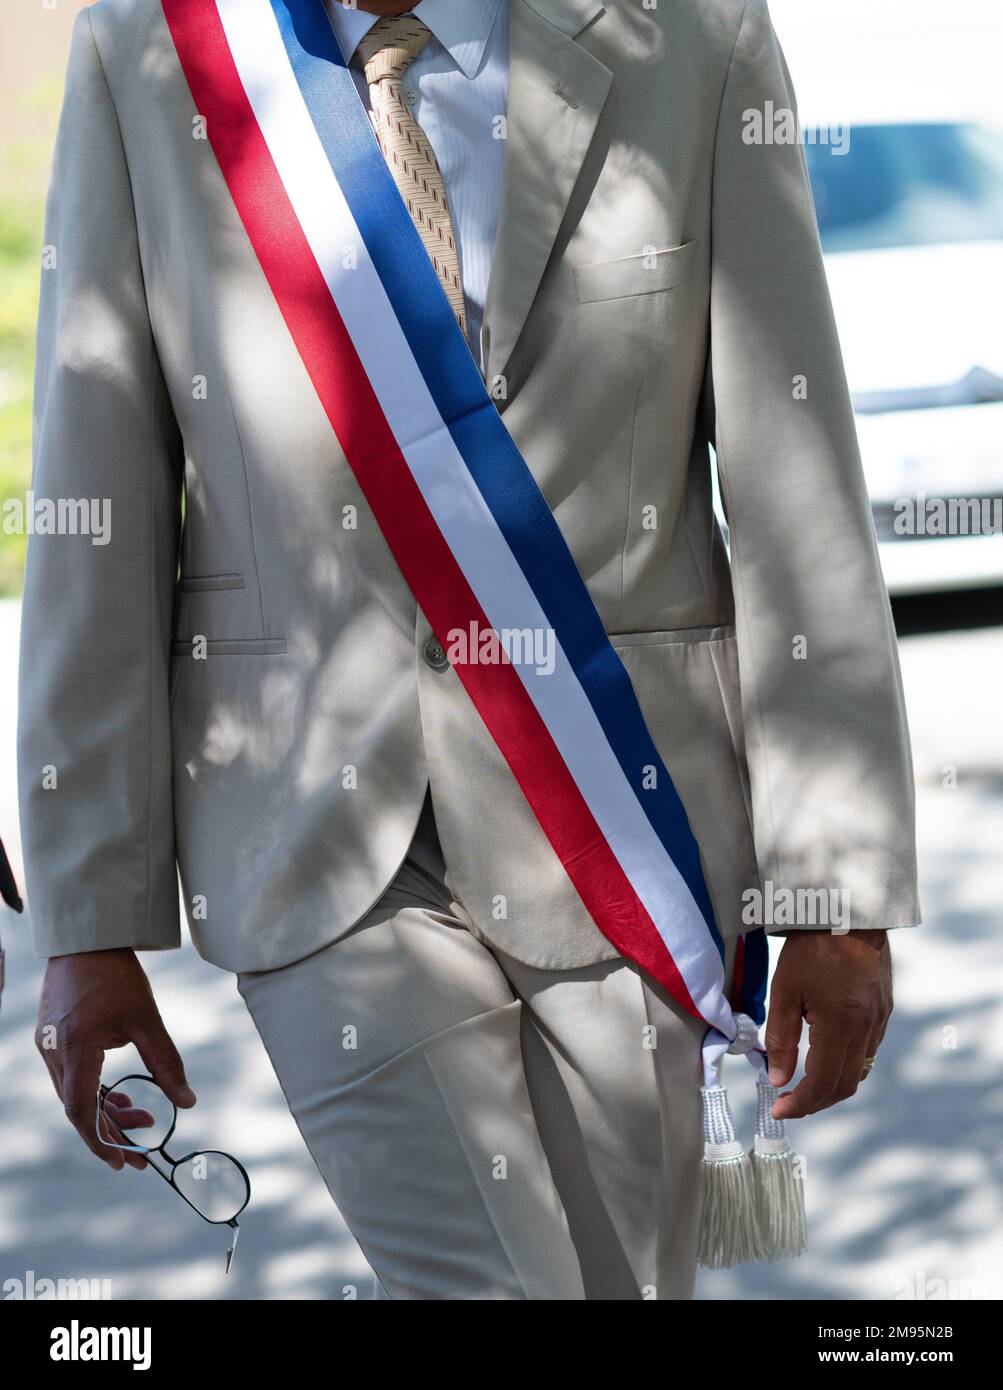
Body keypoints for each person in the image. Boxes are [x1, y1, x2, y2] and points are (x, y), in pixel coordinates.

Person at [19, 0, 917, 1300]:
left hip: (623, 817)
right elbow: (93, 477)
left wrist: (836, 889)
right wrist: (87, 918)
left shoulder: (695, 37)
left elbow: (795, 483)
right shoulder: (155, 49)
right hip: (323, 849)